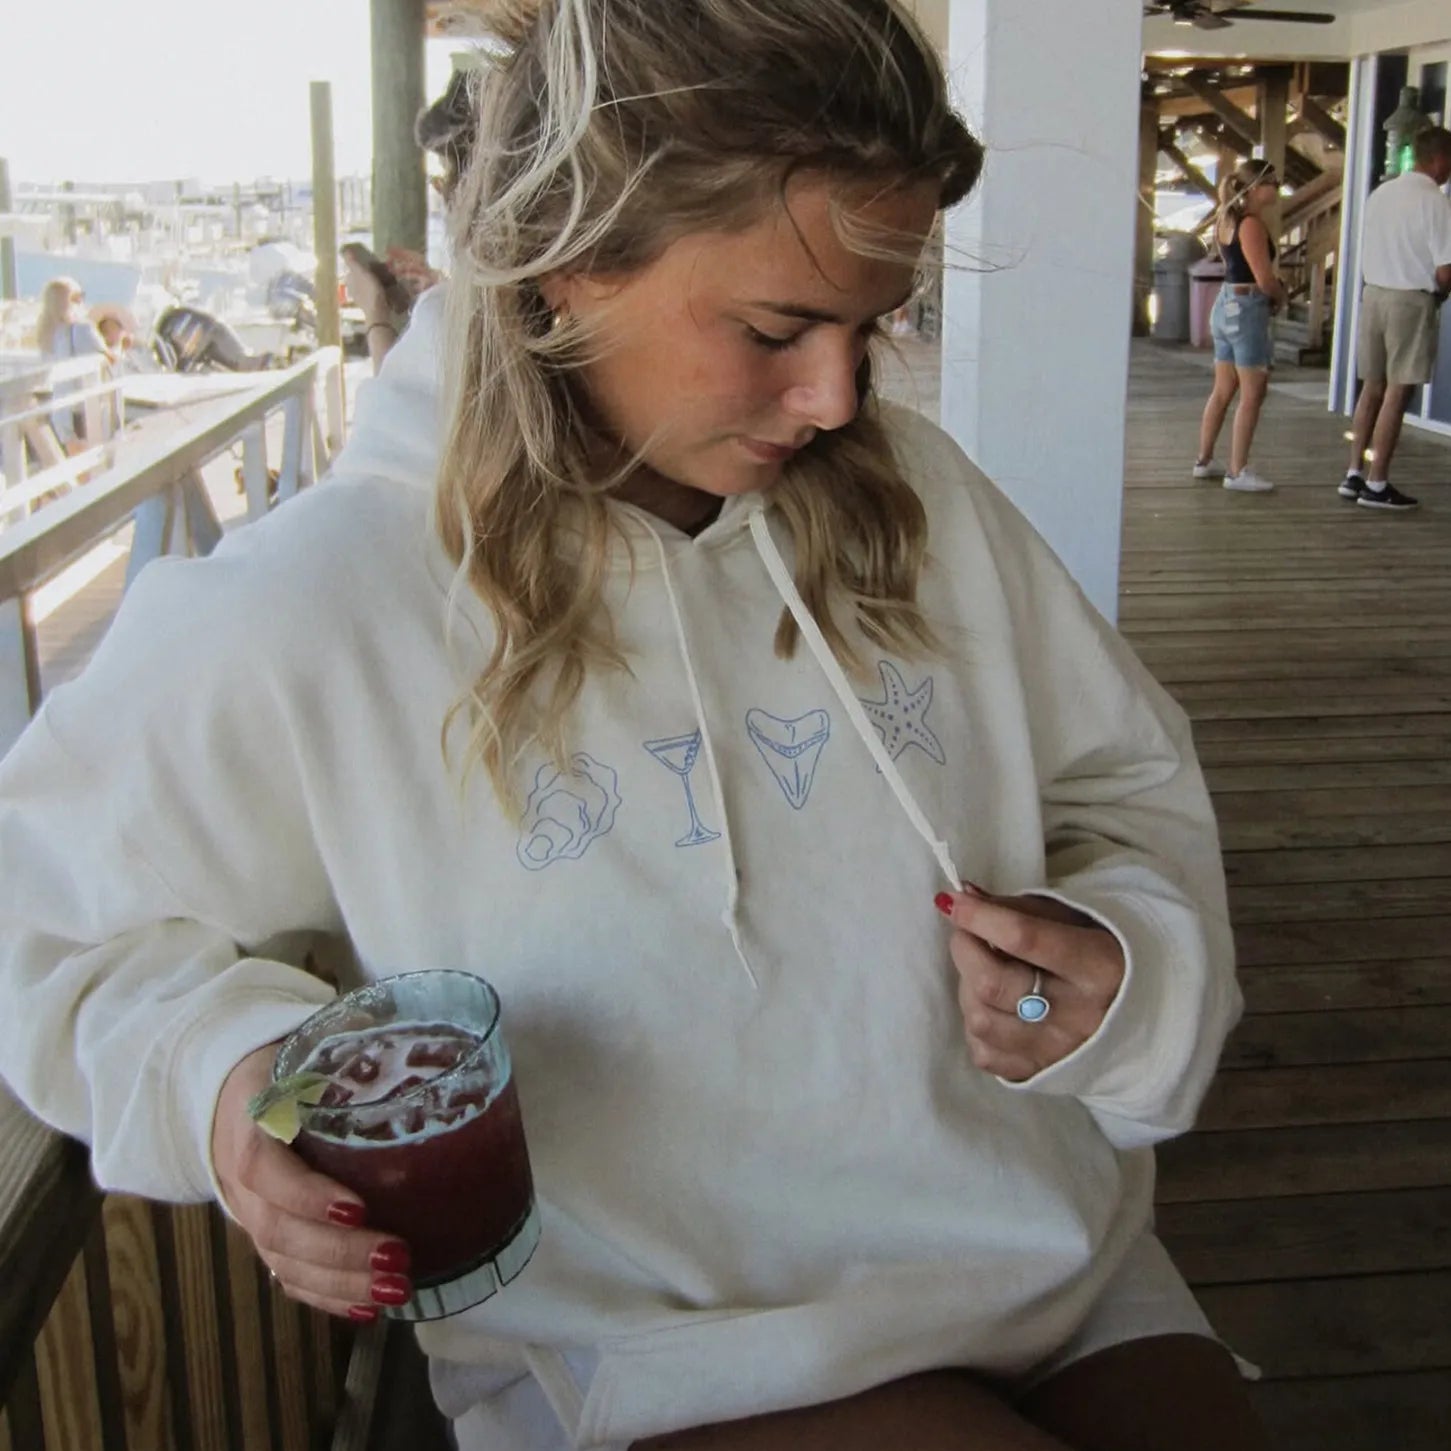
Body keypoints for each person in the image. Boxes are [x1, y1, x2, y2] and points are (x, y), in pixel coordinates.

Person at [0, 4, 1265, 1449]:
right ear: (567, 263)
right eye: (776, 327)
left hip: (1060, 1265)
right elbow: (47, 923)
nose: (837, 395)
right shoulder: (324, 604)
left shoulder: (914, 495)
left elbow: (1120, 779)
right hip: (651, 1358)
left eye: (874, 324)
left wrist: (1118, 954)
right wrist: (231, 1082)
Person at [1339, 126, 1451, 512]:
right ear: (1438, 159)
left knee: (1371, 387)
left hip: (1373, 295)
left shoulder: (1381, 193)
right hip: (1410, 300)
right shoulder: (1434, 201)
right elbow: (1444, 270)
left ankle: (1354, 472)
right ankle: (1378, 481)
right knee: (1397, 392)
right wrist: (1441, 296)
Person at [343, 67, 473, 372]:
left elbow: (393, 413)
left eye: (446, 176)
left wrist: (376, 316)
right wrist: (440, 287)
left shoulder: (456, 320)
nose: (440, 190)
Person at [1193, 159, 1288, 493]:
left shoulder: (1227, 218)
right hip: (1246, 308)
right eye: (1273, 182)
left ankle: (1204, 459)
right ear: (1255, 187)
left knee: (1223, 388)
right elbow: (1263, 278)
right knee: (1252, 391)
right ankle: (1237, 470)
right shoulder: (1250, 224)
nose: (1277, 188)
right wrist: (1279, 295)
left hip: (1225, 304)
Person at [35, 275, 117, 452]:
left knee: (76, 464)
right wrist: (121, 344)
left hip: (61, 411)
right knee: (91, 468)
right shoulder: (82, 329)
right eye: (80, 297)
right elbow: (110, 359)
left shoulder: (47, 333)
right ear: (72, 300)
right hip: (84, 410)